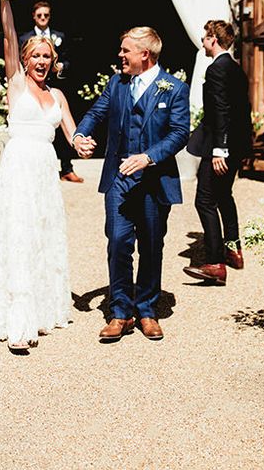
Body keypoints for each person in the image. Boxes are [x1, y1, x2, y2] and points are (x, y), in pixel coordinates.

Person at [0, 0, 76, 353]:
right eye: (35, 55)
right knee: (18, 233)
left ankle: (45, 309)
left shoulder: (59, 96)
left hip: (45, 174)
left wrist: (85, 144)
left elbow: (74, 136)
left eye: (47, 57)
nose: (41, 60)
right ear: (24, 58)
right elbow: (7, 32)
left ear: (53, 62)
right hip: (19, 168)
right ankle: (18, 323)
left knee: (43, 233)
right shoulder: (16, 83)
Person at [73, 27, 189, 342]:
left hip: (154, 182)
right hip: (119, 181)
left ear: (144, 54)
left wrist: (148, 157)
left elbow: (180, 133)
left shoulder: (174, 88)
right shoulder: (117, 83)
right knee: (119, 241)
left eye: (125, 50)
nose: (120, 56)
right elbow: (95, 114)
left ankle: (148, 310)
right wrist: (79, 135)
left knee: (152, 245)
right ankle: (121, 312)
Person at [183, 20, 253, 285]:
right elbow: (242, 111)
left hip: (221, 146)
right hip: (235, 145)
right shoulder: (236, 69)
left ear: (214, 39)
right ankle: (233, 249)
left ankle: (215, 262)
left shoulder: (216, 69)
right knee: (224, 195)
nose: (202, 41)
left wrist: (220, 149)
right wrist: (241, 147)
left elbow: (222, 111)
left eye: (204, 37)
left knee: (204, 200)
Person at [18, 1, 83, 183]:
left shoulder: (59, 36)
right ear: (34, 16)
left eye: (46, 15)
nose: (43, 18)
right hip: (31, 90)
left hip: (56, 87)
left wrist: (60, 66)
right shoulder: (25, 38)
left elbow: (70, 59)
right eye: (39, 15)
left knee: (61, 128)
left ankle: (67, 168)